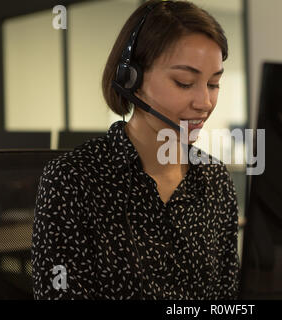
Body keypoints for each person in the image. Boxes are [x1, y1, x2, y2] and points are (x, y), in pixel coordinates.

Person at [31, 0, 240, 299]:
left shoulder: (215, 181)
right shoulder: (73, 180)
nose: (205, 102)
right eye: (184, 82)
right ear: (132, 79)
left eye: (213, 83)